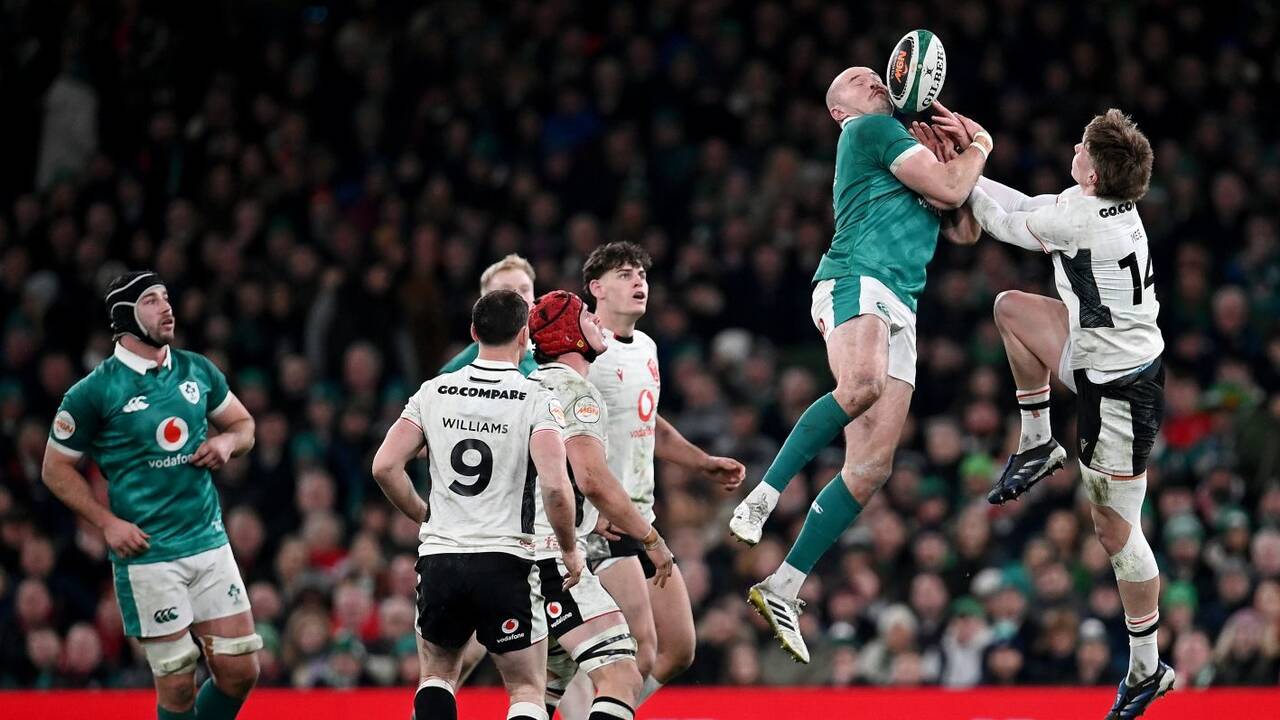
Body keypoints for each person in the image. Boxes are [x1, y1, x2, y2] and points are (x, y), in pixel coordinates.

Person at [728, 66, 991, 664]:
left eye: (875, 76)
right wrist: (979, 146)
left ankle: (784, 585)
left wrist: (955, 158)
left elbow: (964, 228)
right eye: (856, 78)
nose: (872, 79)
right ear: (837, 111)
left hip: (903, 301)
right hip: (856, 276)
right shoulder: (867, 131)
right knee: (862, 384)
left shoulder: (907, 144)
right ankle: (763, 496)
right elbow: (952, 191)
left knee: (871, 468)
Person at [959, 108, 1174, 717]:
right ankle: (1037, 441)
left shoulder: (1081, 218)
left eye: (1082, 145)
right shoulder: (1098, 206)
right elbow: (1032, 207)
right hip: (1100, 355)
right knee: (1010, 308)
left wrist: (964, 159)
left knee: (1114, 529)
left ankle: (1147, 666)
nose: (1073, 148)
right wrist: (965, 161)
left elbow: (1001, 219)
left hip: (1121, 395)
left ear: (1095, 174)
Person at [41, 270, 261, 720]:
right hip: (148, 555)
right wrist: (107, 523)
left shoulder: (197, 369)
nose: (167, 308)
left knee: (241, 670)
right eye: (151, 300)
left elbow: (244, 425)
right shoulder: (94, 391)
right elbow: (54, 468)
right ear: (125, 316)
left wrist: (226, 442)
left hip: (209, 542)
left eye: (166, 297)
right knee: (178, 685)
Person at [371, 289, 584, 720]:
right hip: (506, 559)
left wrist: (423, 515)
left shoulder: (434, 391)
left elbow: (384, 466)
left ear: (473, 332)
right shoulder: (536, 398)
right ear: (524, 336)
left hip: (442, 557)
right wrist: (568, 548)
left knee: (437, 675)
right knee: (525, 688)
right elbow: (556, 487)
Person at [581, 241, 746, 706]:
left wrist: (702, 462)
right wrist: (587, 507)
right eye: (625, 275)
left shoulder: (647, 347)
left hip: (641, 518)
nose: (639, 282)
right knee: (640, 650)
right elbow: (557, 432)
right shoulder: (583, 352)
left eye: (642, 275)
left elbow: (646, 420)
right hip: (601, 523)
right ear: (596, 288)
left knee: (678, 649)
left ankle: (604, 712)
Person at [526, 289, 676, 720]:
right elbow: (591, 478)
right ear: (569, 335)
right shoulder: (576, 390)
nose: (596, 321)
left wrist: (589, 521)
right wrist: (650, 538)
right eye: (586, 316)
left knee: (541, 689)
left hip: (508, 555)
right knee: (624, 675)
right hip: (550, 559)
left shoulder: (525, 388)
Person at [439, 254, 539, 375]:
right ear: (485, 302)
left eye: (525, 289)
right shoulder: (455, 371)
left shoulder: (549, 362)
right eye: (506, 291)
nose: (519, 297)